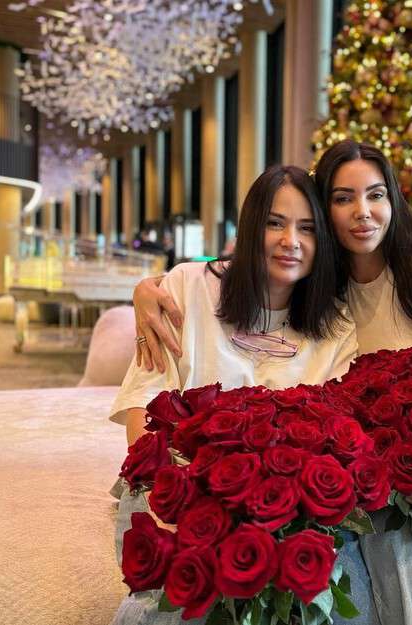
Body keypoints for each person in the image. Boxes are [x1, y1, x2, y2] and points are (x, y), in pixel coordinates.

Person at [133, 141, 412, 625]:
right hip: (397, 475)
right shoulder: (322, 290)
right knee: (370, 552)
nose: (362, 212)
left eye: (376, 195)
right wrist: (147, 289)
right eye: (343, 198)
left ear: (393, 200)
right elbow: (232, 278)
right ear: (324, 210)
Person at [109, 164, 379, 625]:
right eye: (275, 223)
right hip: (174, 483)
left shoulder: (337, 327)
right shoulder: (186, 288)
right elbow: (143, 402)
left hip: (283, 504)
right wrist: (169, 492)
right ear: (251, 227)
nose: (291, 241)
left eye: (307, 228)